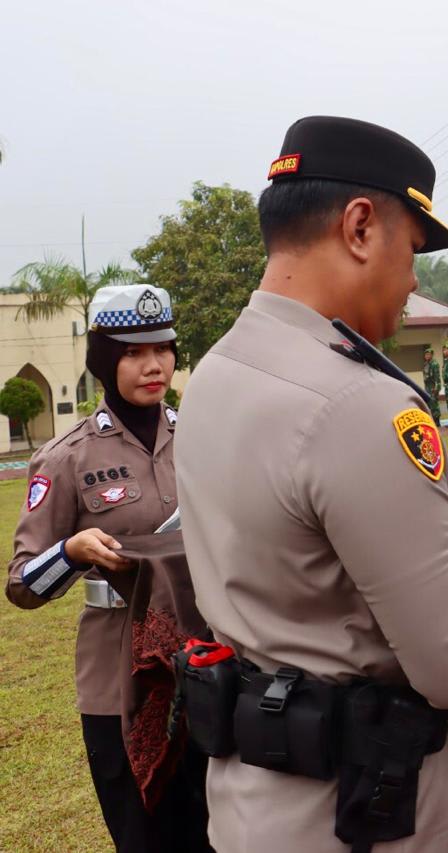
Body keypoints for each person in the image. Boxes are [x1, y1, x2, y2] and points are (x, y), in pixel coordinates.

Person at [173, 115, 448, 853]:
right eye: (413, 246)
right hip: (362, 810)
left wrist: (435, 511)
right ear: (361, 227)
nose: (415, 276)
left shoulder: (218, 370)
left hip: (253, 801)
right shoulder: (360, 402)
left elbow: (280, 529)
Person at [6, 285, 210, 852]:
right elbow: (21, 584)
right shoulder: (67, 456)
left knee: (221, 829)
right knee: (144, 834)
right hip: (117, 675)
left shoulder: (204, 437)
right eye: (131, 353)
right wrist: (70, 552)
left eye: (163, 348)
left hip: (207, 658)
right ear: (102, 359)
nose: (153, 365)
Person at [422, 342, 442, 425]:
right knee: (429, 403)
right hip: (427, 387)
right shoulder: (426, 364)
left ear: (432, 355)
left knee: (434, 404)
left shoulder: (434, 364)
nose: (427, 356)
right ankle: (432, 419)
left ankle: (437, 421)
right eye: (426, 354)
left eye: (428, 354)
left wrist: (437, 388)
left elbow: (437, 377)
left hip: (433, 386)